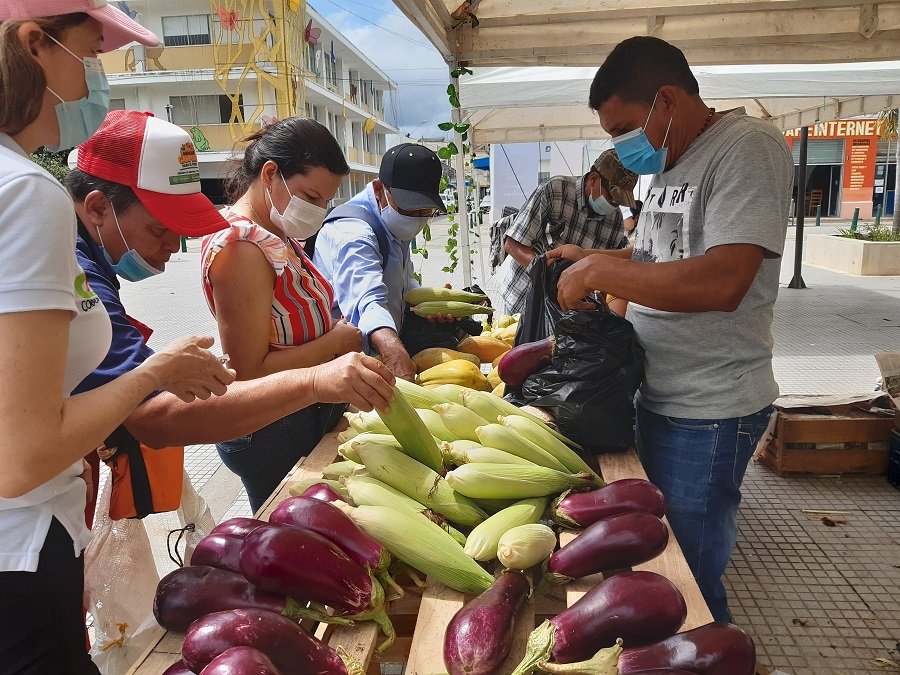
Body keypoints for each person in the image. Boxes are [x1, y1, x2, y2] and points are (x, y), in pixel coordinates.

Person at [0, 4, 233, 673]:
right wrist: (154, 373)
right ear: (34, 44)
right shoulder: (23, 192)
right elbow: (25, 455)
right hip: (20, 553)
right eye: (89, 48)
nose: (96, 76)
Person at [548, 36, 793, 622]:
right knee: (660, 566)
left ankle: (705, 656)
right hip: (662, 393)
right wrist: (594, 256)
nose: (621, 147)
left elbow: (724, 279)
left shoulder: (746, 147)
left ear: (666, 100)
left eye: (624, 129)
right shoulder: (673, 162)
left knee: (688, 575)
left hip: (711, 407)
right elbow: (659, 254)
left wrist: (603, 270)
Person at [68, 110, 396, 519]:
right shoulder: (74, 277)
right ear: (98, 208)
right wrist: (315, 377)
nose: (173, 249)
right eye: (159, 229)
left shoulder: (85, 260)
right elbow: (152, 415)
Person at [201, 117, 373, 512]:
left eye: (324, 201)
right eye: (309, 196)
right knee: (287, 534)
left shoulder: (277, 235)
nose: (317, 210)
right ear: (271, 174)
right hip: (271, 427)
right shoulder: (241, 248)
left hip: (296, 414)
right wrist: (335, 342)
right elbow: (250, 370)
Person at [313, 143, 447, 381]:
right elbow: (367, 300)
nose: (416, 220)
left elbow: (402, 282)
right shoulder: (352, 234)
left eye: (425, 211)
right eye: (409, 209)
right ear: (378, 190)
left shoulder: (391, 222)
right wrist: (392, 351)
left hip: (378, 356)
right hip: (348, 369)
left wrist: (429, 302)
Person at [501, 149, 638, 315]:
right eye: (611, 198)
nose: (613, 205)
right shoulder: (555, 190)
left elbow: (609, 271)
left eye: (618, 202)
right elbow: (512, 244)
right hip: (523, 299)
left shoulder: (615, 220)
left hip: (566, 314)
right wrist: (549, 273)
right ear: (594, 179)